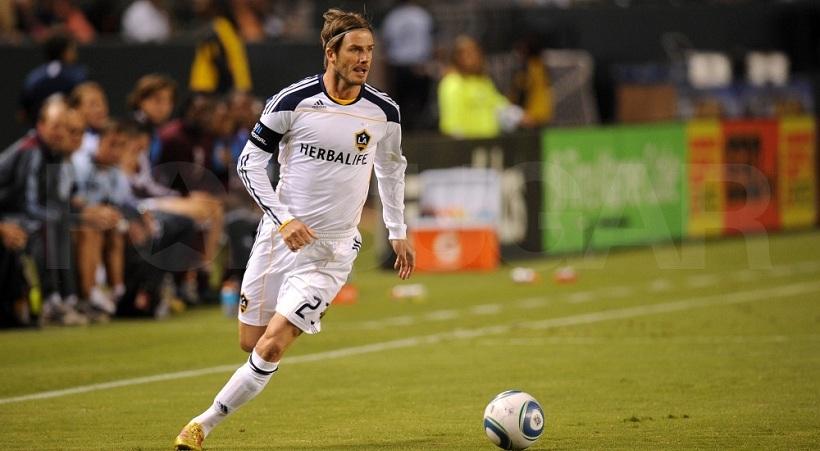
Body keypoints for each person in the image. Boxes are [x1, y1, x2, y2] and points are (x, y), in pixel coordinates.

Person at [173, 8, 415, 450]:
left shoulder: (384, 111)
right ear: (331, 53)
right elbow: (249, 163)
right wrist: (283, 219)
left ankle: (200, 426)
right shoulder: (293, 101)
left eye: (369, 50)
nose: (364, 59)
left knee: (271, 345)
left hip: (332, 252)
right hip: (278, 240)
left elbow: (391, 168)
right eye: (355, 50)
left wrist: (396, 228)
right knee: (250, 341)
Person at [438, 35, 527, 139]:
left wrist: (520, 116)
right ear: (457, 57)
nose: (473, 58)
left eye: (475, 52)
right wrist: (460, 144)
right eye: (467, 54)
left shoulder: (484, 82)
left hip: (489, 143)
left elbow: (500, 106)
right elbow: (451, 123)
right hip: (467, 144)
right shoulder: (452, 82)